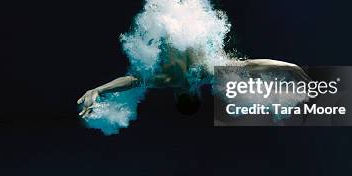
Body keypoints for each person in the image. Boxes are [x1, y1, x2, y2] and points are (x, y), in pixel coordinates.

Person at [77, 47, 310, 118]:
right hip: (170, 8)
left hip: (190, 6)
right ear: (177, 97)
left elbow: (252, 64)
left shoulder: (207, 74)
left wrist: (288, 66)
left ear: (199, 94)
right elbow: (131, 81)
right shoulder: (168, 81)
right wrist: (98, 89)